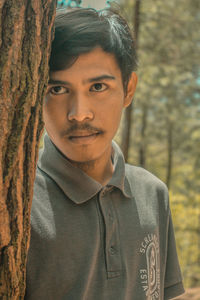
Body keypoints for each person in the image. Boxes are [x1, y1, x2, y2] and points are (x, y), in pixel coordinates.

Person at [25, 7, 185, 300]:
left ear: (128, 89)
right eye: (58, 89)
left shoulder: (153, 193)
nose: (79, 114)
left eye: (98, 86)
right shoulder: (19, 203)